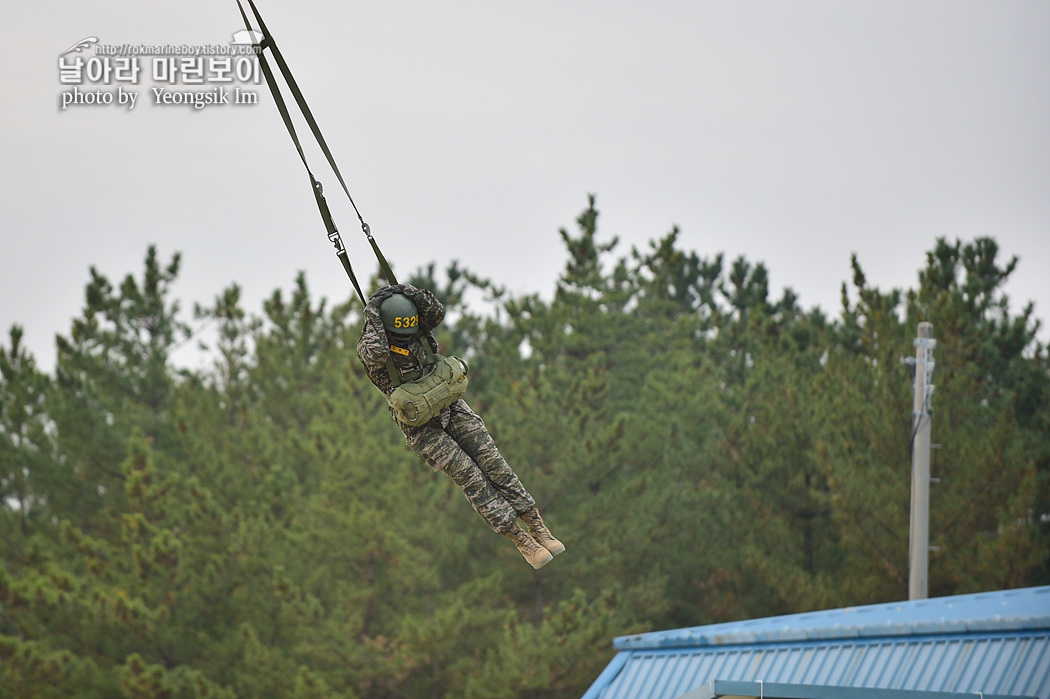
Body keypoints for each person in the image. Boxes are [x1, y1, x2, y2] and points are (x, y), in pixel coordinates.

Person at [356, 283, 564, 569]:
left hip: (451, 406)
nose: (407, 339)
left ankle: (538, 526)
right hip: (422, 428)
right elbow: (376, 351)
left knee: (494, 464)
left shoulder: (418, 327)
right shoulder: (372, 346)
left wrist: (406, 292)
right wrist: (375, 310)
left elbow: (436, 311)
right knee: (472, 478)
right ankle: (521, 539)